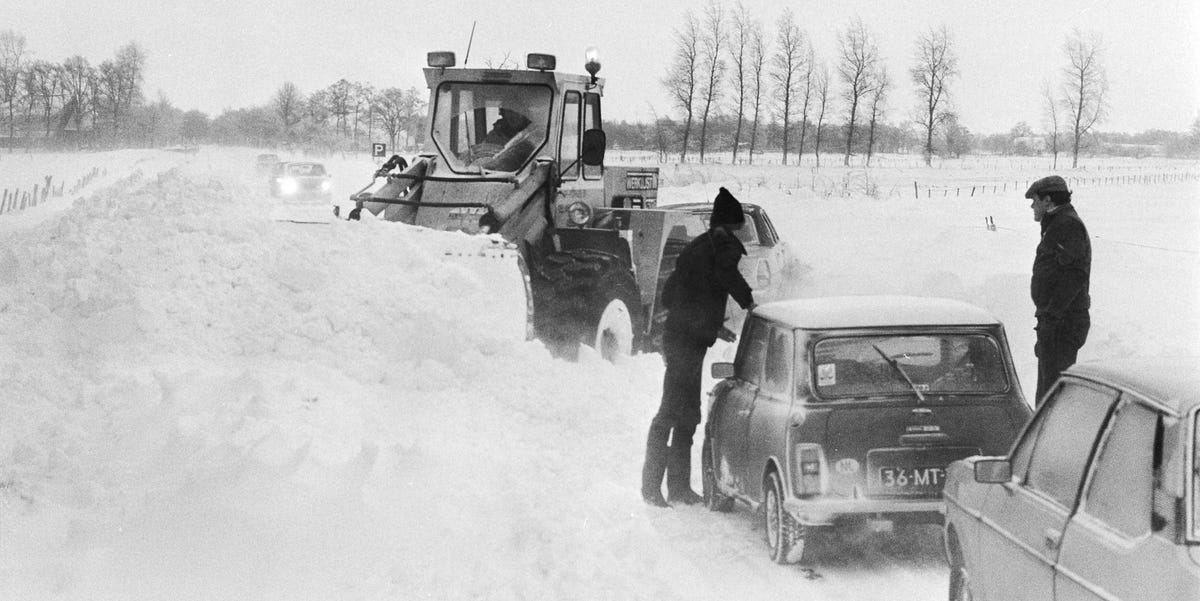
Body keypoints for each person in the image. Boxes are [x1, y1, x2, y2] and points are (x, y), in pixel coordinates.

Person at [641, 187, 756, 507]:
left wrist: (709, 325)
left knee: (688, 413)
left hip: (682, 339)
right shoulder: (723, 249)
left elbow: (671, 297)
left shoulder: (696, 248)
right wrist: (749, 304)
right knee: (669, 412)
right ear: (732, 226)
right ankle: (651, 489)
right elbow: (728, 276)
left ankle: (677, 488)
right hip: (686, 341)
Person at [1025, 174, 1091, 404]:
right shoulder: (1056, 223)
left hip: (1063, 323)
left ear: (1048, 200)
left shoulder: (1067, 225)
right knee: (1048, 391)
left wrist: (1052, 316)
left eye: (1035, 200)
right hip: (1055, 322)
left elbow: (1074, 275)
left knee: (1053, 396)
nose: (1032, 206)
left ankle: (1053, 437)